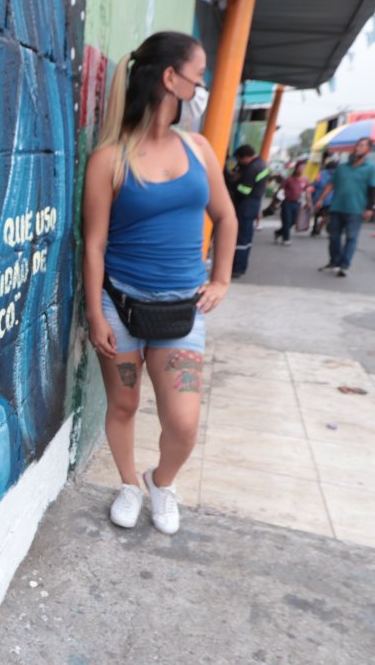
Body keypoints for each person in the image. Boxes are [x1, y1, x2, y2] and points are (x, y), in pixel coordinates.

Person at [82, 31, 237, 535]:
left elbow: (226, 217)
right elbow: (94, 245)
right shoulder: (110, 158)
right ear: (171, 78)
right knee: (124, 404)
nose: (202, 82)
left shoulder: (198, 149)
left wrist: (221, 280)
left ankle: (159, 482)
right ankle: (128, 483)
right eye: (199, 72)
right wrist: (92, 313)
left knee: (184, 424)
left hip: (180, 313)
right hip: (119, 306)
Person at [311, 137, 375, 277]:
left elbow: (373, 189)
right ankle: (334, 261)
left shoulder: (371, 169)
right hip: (337, 207)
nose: (357, 148)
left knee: (351, 237)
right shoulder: (342, 168)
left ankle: (344, 265)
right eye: (357, 145)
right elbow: (330, 184)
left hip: (356, 209)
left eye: (361, 146)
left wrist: (369, 208)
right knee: (333, 236)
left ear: (368, 150)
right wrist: (320, 199)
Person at [224, 144, 270, 278]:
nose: (238, 163)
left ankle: (237, 268)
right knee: (246, 237)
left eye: (239, 160)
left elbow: (244, 191)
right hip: (253, 204)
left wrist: (233, 184)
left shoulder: (252, 168)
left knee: (240, 237)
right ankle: (241, 266)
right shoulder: (260, 164)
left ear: (246, 157)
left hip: (246, 204)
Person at [275, 161, 308, 245]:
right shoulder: (289, 179)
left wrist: (308, 201)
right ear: (296, 168)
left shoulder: (304, 180)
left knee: (292, 222)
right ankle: (286, 239)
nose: (302, 169)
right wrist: (277, 200)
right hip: (287, 202)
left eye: (303, 168)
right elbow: (280, 189)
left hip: (297, 203)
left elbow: (307, 191)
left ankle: (279, 232)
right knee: (287, 221)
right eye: (300, 167)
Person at [308, 158, 337, 237]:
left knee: (317, 215)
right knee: (326, 216)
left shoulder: (320, 174)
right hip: (329, 200)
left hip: (319, 198)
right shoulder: (336, 175)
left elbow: (314, 185)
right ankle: (318, 227)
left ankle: (316, 228)